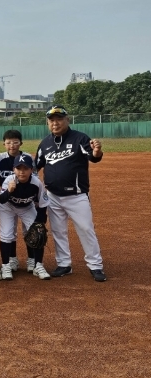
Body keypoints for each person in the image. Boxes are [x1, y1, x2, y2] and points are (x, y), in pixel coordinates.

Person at [35, 105, 106, 282]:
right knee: (58, 231)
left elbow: (93, 157)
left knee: (85, 229)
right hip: (53, 196)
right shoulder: (45, 143)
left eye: (59, 119)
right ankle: (64, 264)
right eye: (51, 120)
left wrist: (97, 152)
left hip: (77, 195)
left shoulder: (80, 138)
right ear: (47, 123)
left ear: (67, 120)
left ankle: (95, 266)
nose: (55, 123)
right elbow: (35, 167)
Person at [0, 130, 35, 272]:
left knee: (30, 231)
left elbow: (34, 178)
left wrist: (35, 201)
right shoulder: (0, 158)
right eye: (8, 142)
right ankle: (12, 258)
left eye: (15, 142)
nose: (12, 145)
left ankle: (32, 260)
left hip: (26, 200)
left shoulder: (28, 157)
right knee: (8, 231)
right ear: (4, 144)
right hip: (7, 198)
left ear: (21, 143)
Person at [0, 154, 50, 280]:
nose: (22, 172)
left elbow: (42, 206)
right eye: (18, 168)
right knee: (6, 234)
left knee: (38, 233)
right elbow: (1, 200)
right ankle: (6, 266)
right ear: (14, 169)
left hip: (27, 207)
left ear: (31, 170)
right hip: (8, 208)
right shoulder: (9, 180)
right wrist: (9, 191)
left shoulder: (36, 183)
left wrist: (39, 224)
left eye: (25, 168)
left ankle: (38, 265)